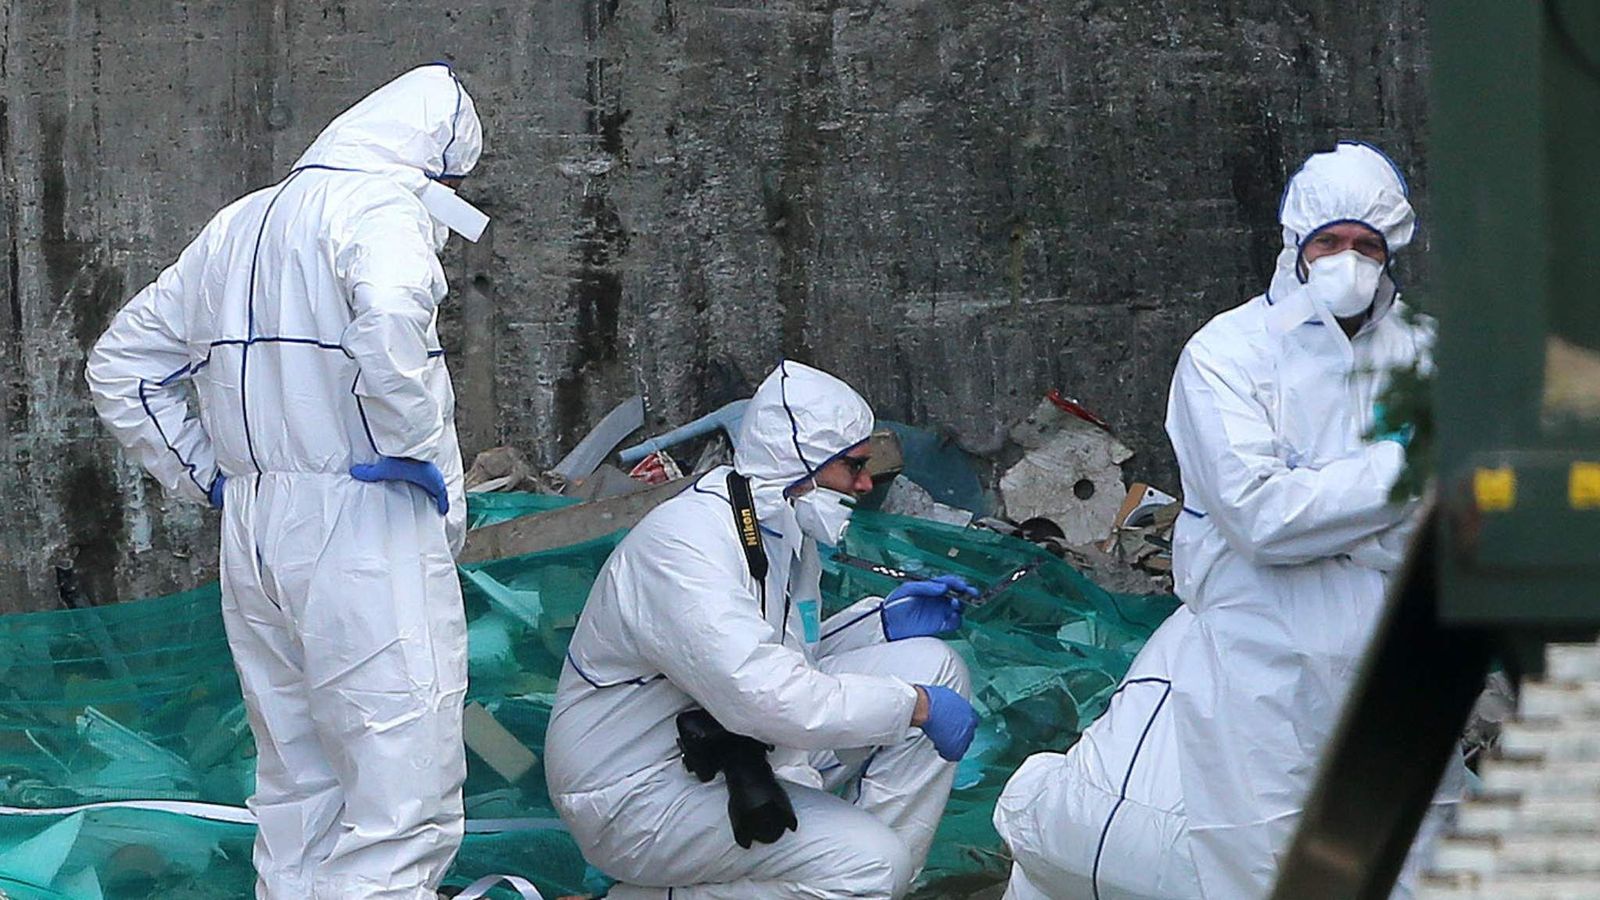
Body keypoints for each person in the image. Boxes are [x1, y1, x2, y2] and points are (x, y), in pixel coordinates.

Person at [992, 141, 1464, 899]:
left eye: (1367, 244)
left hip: (1395, 651)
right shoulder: (1227, 354)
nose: (1350, 258)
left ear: (1393, 247)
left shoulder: (1430, 353)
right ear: (1297, 245)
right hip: (1261, 655)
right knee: (1264, 863)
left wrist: (1338, 509)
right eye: (1331, 241)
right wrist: (1402, 471)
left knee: (1415, 852)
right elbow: (1261, 519)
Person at [86, 64, 488, 899]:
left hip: (259, 531)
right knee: (399, 802)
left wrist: (217, 480)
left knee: (299, 793)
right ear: (430, 166)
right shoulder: (378, 208)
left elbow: (123, 365)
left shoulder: (240, 224)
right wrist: (411, 449)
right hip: (367, 515)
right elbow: (389, 320)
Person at [546, 360, 982, 899]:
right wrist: (913, 706)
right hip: (635, 793)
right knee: (871, 864)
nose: (866, 484)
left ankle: (862, 881)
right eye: (854, 466)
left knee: (933, 666)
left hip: (721, 744)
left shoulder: (774, 527)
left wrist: (878, 624)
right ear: (802, 461)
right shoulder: (686, 546)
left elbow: (783, 653)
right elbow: (765, 695)